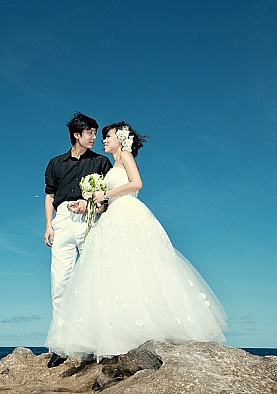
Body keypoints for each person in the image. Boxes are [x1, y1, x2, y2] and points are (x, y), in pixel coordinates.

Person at [45, 121, 228, 361]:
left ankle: (139, 332)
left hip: (127, 214)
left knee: (136, 269)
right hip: (108, 215)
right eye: (98, 135)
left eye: (107, 136)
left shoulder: (122, 157)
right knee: (110, 275)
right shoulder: (105, 164)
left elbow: (136, 184)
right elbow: (99, 201)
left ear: (121, 139)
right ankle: (99, 337)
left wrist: (103, 194)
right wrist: (92, 204)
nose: (102, 140)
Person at [44, 112, 112, 367]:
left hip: (89, 220)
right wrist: (48, 225)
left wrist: (89, 204)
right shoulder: (55, 163)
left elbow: (108, 198)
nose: (94, 137)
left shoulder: (101, 162)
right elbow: (50, 196)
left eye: (95, 133)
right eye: (90, 133)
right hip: (62, 221)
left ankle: (98, 341)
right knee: (59, 282)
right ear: (76, 135)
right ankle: (61, 344)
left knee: (94, 278)